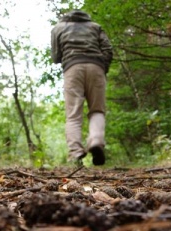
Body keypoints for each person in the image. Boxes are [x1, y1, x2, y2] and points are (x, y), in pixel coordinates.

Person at [51, 9, 113, 166]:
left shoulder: (58, 28)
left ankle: (75, 152)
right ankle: (96, 141)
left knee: (73, 114)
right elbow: (108, 50)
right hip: (96, 67)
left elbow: (55, 56)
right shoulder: (95, 27)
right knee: (97, 110)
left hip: (72, 68)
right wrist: (102, 67)